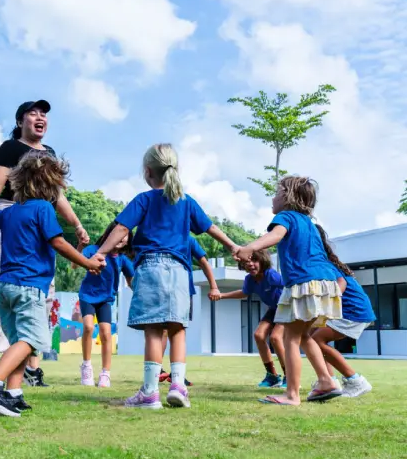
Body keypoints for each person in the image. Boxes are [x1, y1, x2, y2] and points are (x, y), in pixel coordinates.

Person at [97, 143, 241, 409]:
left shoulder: (144, 199)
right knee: (177, 330)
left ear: (148, 171)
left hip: (150, 267)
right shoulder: (186, 202)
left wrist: (102, 253)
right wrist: (233, 246)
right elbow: (210, 228)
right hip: (179, 271)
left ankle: (150, 393)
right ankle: (178, 386)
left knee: (153, 330)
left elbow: (120, 229)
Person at [0, 152, 105, 416]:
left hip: (4, 286)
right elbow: (58, 242)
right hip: (28, 287)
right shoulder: (43, 208)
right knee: (31, 339)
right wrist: (88, 264)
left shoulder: (8, 212)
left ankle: (12, 393)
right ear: (50, 186)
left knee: (19, 341)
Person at [0, 100, 90, 387]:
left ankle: (31, 367)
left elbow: (58, 195)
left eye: (44, 114)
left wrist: (77, 224)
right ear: (20, 122)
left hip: (40, 217)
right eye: (33, 113)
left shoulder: (49, 154)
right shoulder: (10, 148)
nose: (40, 117)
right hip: (10, 214)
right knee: (10, 285)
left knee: (43, 291)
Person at [235, 175, 344, 406]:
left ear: (287, 196)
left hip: (304, 281)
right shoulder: (310, 224)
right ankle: (326, 380)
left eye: (276, 193)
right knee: (304, 335)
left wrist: (250, 247)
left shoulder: (285, 217)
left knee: (290, 339)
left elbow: (276, 236)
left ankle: (292, 394)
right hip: (326, 282)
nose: (273, 198)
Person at [310, 224, 375, 398]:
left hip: (353, 310)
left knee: (316, 341)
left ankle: (355, 381)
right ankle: (329, 380)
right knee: (311, 337)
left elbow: (341, 283)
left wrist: (324, 303)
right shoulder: (318, 260)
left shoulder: (320, 261)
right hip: (345, 309)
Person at [212, 250, 286, 388]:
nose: (250, 264)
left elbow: (288, 286)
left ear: (262, 261)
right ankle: (272, 376)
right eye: (246, 262)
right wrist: (222, 295)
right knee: (258, 335)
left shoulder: (271, 275)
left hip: (286, 307)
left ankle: (289, 376)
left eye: (254, 261)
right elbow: (244, 293)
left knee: (275, 338)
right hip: (273, 309)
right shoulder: (250, 280)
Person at [74, 221, 135, 388]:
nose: (122, 239)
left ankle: (105, 374)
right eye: (119, 235)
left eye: (125, 237)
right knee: (88, 327)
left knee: (106, 333)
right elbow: (74, 264)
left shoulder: (123, 260)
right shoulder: (93, 250)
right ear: (110, 234)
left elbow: (131, 282)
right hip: (87, 296)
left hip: (106, 299)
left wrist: (142, 293)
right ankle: (86, 366)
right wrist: (80, 246)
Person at [159, 236, 220, 387]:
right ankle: (157, 371)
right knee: (161, 330)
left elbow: (204, 262)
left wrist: (214, 286)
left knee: (178, 331)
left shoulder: (188, 239)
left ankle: (177, 374)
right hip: (161, 288)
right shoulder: (160, 236)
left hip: (184, 290)